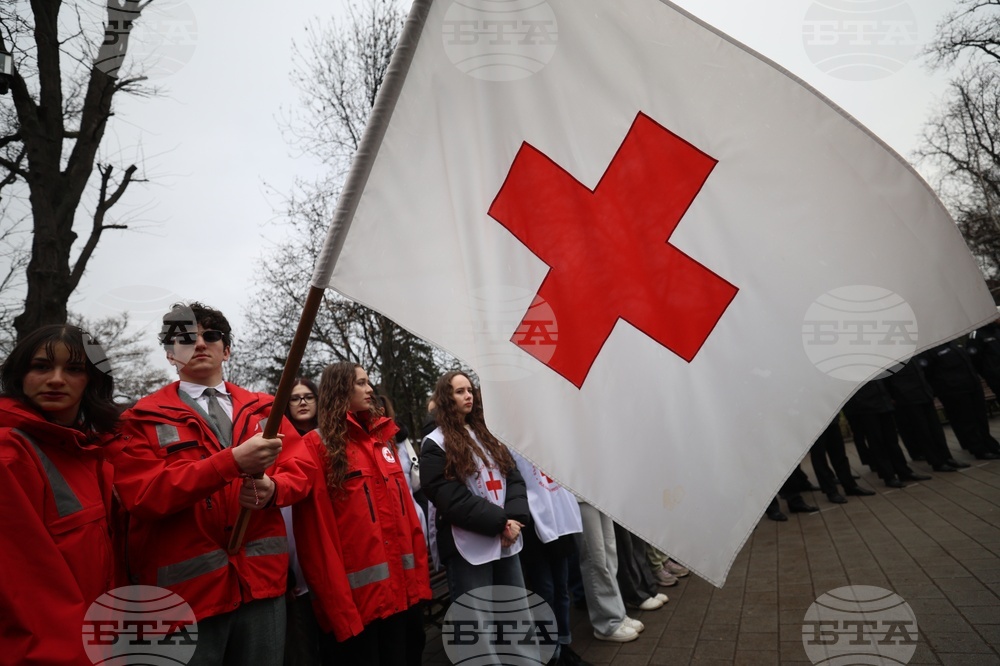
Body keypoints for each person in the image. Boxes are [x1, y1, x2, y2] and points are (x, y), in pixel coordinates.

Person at [109, 302, 314, 666]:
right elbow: (142, 496)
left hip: (262, 586)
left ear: (227, 348)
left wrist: (274, 490)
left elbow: (303, 470)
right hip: (185, 599)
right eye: (185, 338)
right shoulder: (139, 420)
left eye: (211, 335)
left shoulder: (267, 408)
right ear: (171, 355)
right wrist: (230, 463)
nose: (200, 344)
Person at [294, 362, 431, 666]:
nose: (370, 390)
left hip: (404, 597)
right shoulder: (316, 446)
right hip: (359, 608)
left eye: (369, 382)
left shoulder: (383, 441)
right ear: (340, 389)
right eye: (361, 383)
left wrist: (419, 583)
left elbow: (408, 517)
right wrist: (340, 612)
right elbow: (317, 539)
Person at [0, 325, 120, 665]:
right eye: (41, 366)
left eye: (74, 369)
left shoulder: (89, 453)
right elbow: (24, 589)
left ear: (92, 381)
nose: (55, 379)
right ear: (20, 375)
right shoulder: (9, 453)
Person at [419, 371, 532, 601]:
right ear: (446, 398)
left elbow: (513, 478)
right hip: (469, 545)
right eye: (460, 392)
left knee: (515, 614)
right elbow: (449, 497)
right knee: (479, 625)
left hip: (506, 536)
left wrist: (514, 519)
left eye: (470, 390)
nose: (468, 396)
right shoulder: (435, 443)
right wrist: (501, 522)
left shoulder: (488, 433)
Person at [510, 448, 592, 666]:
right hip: (533, 524)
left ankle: (564, 645)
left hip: (558, 519)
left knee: (561, 589)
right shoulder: (510, 441)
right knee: (544, 591)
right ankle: (551, 652)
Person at [282, 376, 322, 665]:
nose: (303, 402)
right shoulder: (280, 444)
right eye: (295, 398)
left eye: (308, 396)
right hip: (293, 550)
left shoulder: (331, 438)